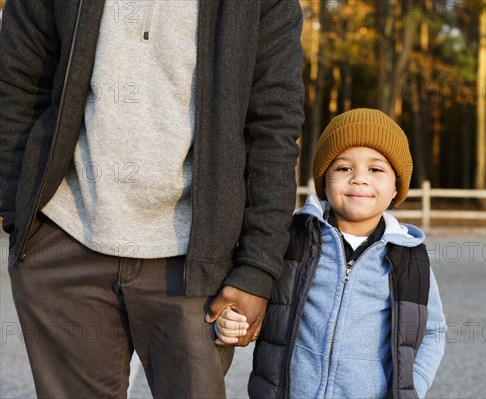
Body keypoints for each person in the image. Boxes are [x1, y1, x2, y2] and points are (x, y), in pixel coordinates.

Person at [0, 0, 304, 397]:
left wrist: (257, 268)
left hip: (194, 262)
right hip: (64, 236)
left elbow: (274, 127)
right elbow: (16, 83)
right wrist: (19, 215)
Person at [216, 108, 446, 398]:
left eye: (375, 169)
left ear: (396, 187)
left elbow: (433, 331)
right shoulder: (291, 240)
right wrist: (230, 321)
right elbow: (254, 299)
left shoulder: (409, 258)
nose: (359, 179)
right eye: (343, 168)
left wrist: (413, 385)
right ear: (324, 181)